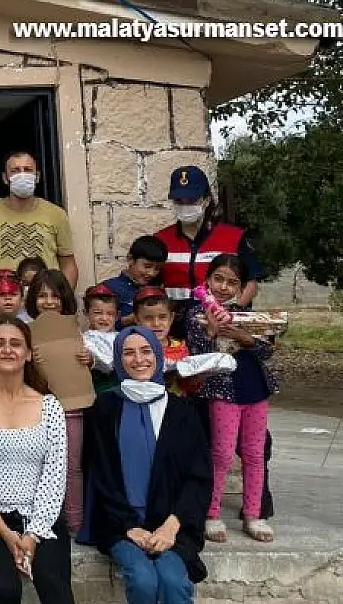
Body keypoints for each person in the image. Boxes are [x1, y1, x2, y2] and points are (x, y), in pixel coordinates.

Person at [0, 315, 74, 604]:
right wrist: (8, 535)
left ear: (29, 353)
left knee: (55, 590)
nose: (8, 350)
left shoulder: (50, 406)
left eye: (16, 344)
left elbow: (55, 476)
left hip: (42, 520)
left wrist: (31, 535)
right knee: (3, 590)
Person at [85, 326, 211, 604]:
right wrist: (129, 526)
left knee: (172, 581)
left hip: (173, 524)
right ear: (118, 359)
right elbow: (101, 473)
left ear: (158, 354)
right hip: (121, 523)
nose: (138, 359)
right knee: (142, 580)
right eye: (128, 352)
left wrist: (172, 525)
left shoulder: (182, 412)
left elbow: (198, 477)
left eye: (146, 351)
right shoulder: (106, 408)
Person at [185, 254, 278, 544]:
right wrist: (212, 331)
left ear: (240, 289)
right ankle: (211, 514)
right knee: (222, 454)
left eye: (232, 283)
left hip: (254, 388)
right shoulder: (195, 313)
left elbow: (266, 350)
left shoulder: (247, 316)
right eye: (218, 279)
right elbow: (198, 355)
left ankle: (253, 513)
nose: (224, 287)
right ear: (208, 280)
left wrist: (244, 336)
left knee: (255, 452)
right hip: (223, 391)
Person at [154, 165, 263, 336]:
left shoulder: (233, 237)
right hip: (176, 328)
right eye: (179, 201)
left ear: (206, 201)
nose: (185, 206)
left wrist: (234, 312)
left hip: (223, 324)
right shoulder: (161, 240)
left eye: (192, 201)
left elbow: (251, 282)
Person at [25, 269, 94, 535]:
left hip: (72, 409)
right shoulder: (26, 331)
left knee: (72, 465)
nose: (49, 301)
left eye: (55, 296)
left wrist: (91, 360)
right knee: (38, 464)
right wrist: (30, 362)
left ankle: (74, 522)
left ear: (65, 299)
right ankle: (40, 518)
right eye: (42, 296)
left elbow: (93, 356)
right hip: (36, 409)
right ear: (32, 299)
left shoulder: (77, 328)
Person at [0, 151, 78, 289]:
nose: (22, 175)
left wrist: (64, 299)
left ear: (37, 176)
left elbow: (67, 263)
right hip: (3, 297)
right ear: (5, 178)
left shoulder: (56, 214)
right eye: (15, 171)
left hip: (45, 298)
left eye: (28, 170)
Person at [101, 235, 167, 329]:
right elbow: (98, 323)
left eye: (157, 268)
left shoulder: (157, 291)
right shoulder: (109, 288)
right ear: (130, 259)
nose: (152, 273)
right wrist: (130, 319)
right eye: (147, 266)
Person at [16, 257, 48, 323]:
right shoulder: (14, 309)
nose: (30, 288)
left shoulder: (49, 305)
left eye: (34, 284)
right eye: (26, 284)